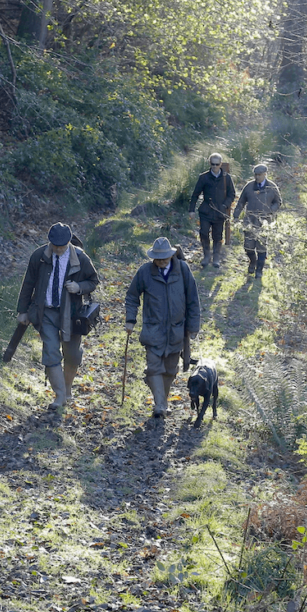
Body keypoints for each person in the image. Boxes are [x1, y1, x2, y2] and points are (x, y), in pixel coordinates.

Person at [16, 223, 100, 410]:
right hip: (45, 312)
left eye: (63, 246)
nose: (59, 249)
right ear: (50, 242)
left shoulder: (80, 257)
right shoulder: (39, 256)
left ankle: (67, 388)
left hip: (71, 313)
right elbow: (28, 283)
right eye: (55, 245)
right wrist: (22, 310)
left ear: (69, 242)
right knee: (51, 351)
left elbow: (93, 281)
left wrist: (79, 288)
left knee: (72, 355)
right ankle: (60, 396)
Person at [124, 237, 201, 418]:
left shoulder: (182, 270)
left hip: (176, 331)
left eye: (164, 258)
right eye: (157, 259)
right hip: (153, 330)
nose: (160, 262)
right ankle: (160, 404)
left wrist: (193, 325)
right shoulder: (144, 272)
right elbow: (132, 297)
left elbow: (193, 299)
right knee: (153, 368)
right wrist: (130, 320)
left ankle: (162, 401)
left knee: (170, 370)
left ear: (171, 255)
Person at [233, 162, 282, 278]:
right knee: (248, 246)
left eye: (259, 175)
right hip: (250, 221)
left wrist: (271, 210)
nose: (257, 177)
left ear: (265, 174)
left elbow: (278, 201)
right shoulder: (249, 186)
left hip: (265, 223)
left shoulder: (272, 187)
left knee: (262, 247)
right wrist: (236, 215)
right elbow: (241, 202)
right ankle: (252, 261)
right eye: (255, 175)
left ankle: (259, 270)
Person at [188, 153, 236, 268]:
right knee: (204, 232)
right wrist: (191, 209)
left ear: (221, 164)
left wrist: (225, 205)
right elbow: (195, 194)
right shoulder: (203, 177)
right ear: (210, 164)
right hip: (206, 211)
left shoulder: (226, 177)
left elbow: (232, 194)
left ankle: (216, 258)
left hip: (220, 212)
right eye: (212, 164)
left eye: (217, 164)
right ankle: (206, 256)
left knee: (217, 235)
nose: (214, 166)